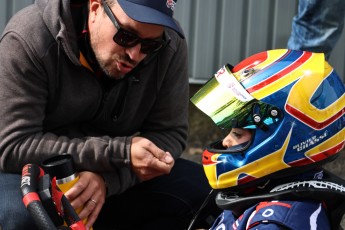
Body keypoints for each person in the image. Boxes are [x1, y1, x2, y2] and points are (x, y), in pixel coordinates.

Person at [0, 0, 220, 229]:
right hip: (33, 169)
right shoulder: (29, 37)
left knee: (204, 193)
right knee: (18, 218)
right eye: (126, 36)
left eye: (149, 46)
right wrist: (120, 152)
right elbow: (14, 145)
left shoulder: (169, 45)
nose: (135, 54)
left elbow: (170, 134)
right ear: (95, 9)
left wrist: (107, 181)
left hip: (113, 173)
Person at [190, 49, 345, 229]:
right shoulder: (266, 189)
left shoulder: (277, 222)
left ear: (282, 136)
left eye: (238, 134)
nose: (225, 142)